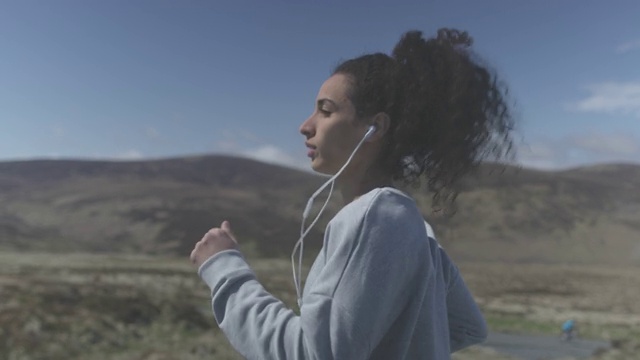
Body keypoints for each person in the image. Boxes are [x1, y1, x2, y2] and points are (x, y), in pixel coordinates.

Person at [190, 28, 516, 359]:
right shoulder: (421, 235)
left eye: (326, 110)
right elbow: (467, 327)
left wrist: (223, 267)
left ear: (376, 127)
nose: (306, 125)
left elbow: (312, 354)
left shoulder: (375, 215)